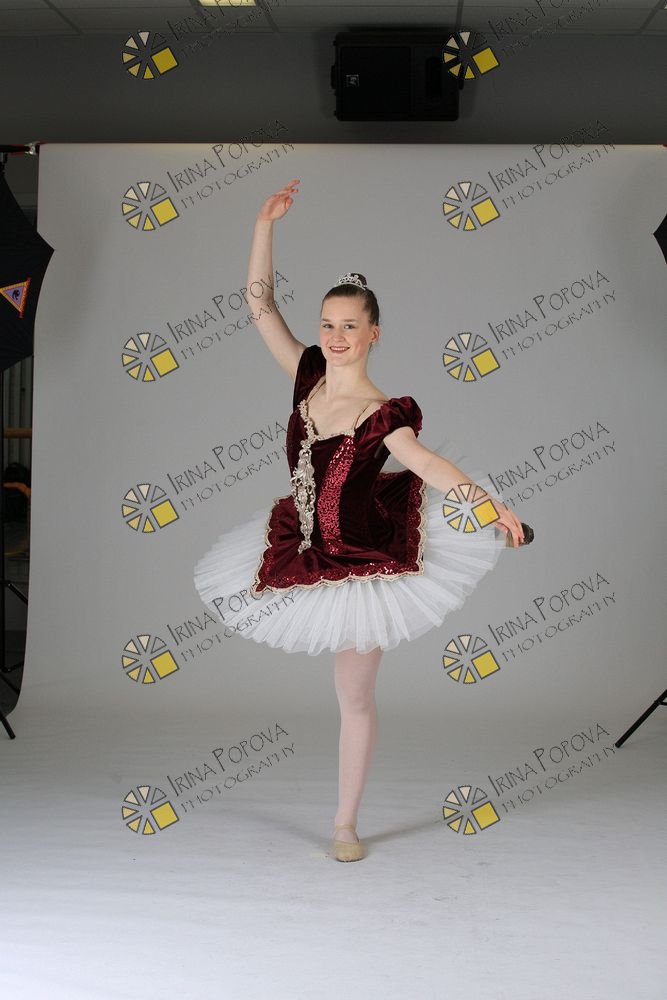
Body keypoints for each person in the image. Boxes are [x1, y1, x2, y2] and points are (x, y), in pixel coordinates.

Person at [194, 179, 527, 863]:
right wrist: (264, 224)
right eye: (327, 324)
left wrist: (489, 505)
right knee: (342, 691)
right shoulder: (308, 376)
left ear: (373, 333)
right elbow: (259, 306)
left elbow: (425, 463)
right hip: (305, 543)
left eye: (349, 326)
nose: (336, 336)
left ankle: (344, 823)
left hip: (365, 556)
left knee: (353, 695)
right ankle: (344, 818)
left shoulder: (382, 412)